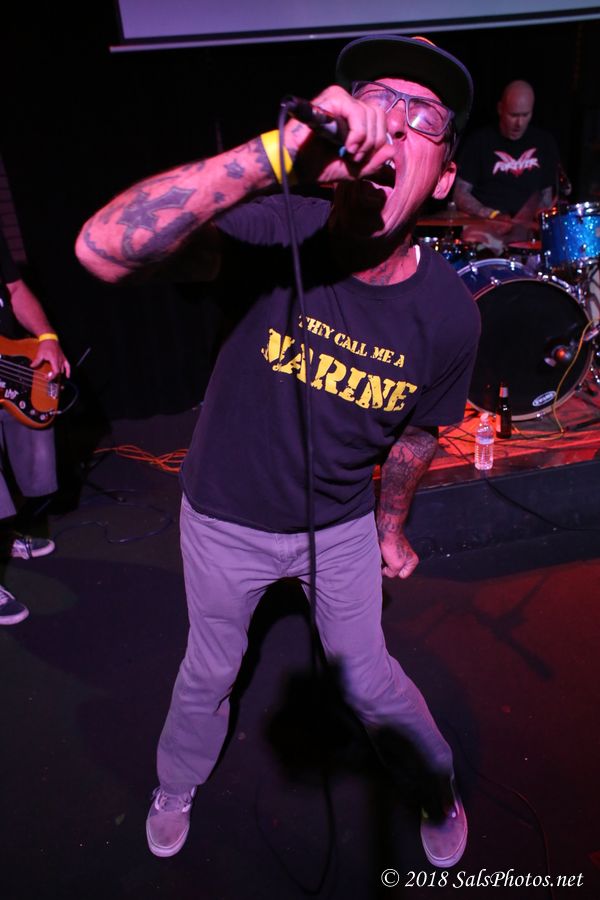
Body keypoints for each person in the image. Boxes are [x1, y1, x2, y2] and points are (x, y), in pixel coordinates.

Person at [75, 35, 480, 868]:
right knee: (209, 670)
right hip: (223, 518)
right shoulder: (278, 228)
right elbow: (101, 249)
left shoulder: (450, 316)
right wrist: (275, 157)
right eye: (378, 102)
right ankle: (175, 783)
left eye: (424, 117)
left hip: (338, 528)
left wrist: (390, 527)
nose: (393, 124)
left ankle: (436, 787)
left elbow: (417, 434)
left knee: (367, 679)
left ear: (443, 177)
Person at [0, 226, 70, 624]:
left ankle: (5, 538)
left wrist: (46, 336)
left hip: (7, 365)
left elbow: (13, 288)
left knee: (26, 470)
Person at [453, 79, 561, 251]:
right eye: (513, 115)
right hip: (486, 229)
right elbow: (460, 194)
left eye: (525, 115)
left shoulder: (544, 143)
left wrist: (534, 218)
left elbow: (547, 196)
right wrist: (491, 215)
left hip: (527, 233)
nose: (519, 124)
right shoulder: (480, 142)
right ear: (500, 109)